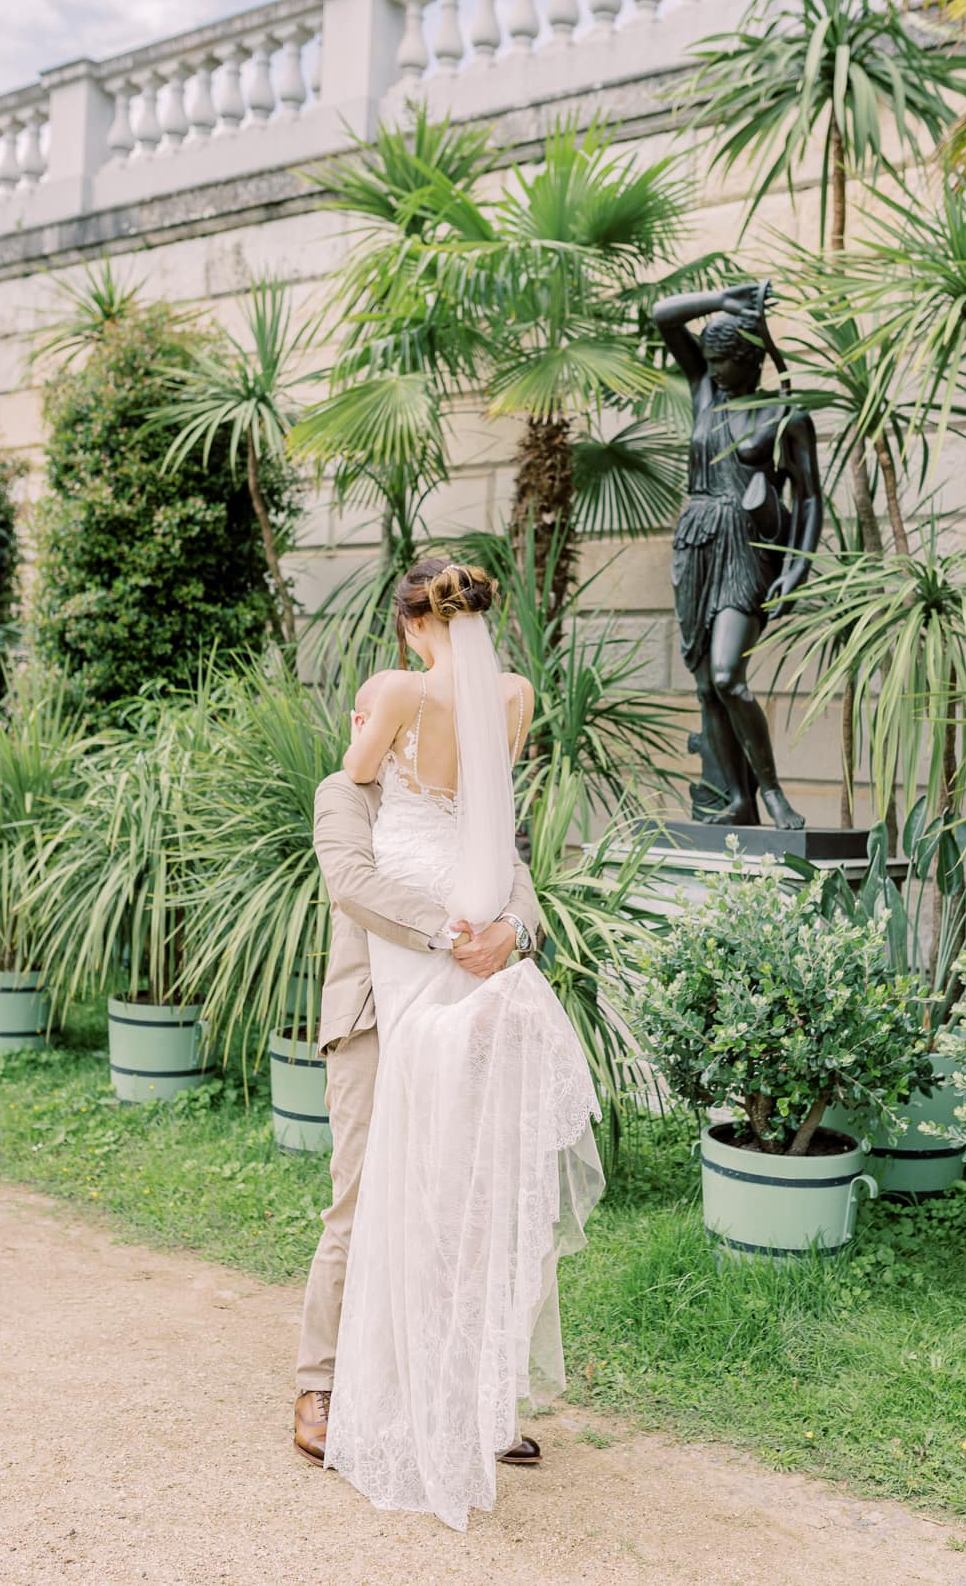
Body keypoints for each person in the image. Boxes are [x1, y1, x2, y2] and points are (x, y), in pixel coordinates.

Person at [317, 558, 604, 1532]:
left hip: (447, 936)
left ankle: (450, 1397)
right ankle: (380, 1387)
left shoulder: (394, 697)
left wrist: (371, 727)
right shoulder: (512, 698)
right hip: (451, 935)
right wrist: (482, 931)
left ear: (410, 627)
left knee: (439, 1178)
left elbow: (365, 773)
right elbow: (477, 824)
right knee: (429, 1182)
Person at [293, 671, 540, 1467]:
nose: (368, 724)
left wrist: (513, 932)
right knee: (360, 1198)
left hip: (456, 1016)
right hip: (372, 1021)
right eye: (361, 712)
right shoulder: (344, 793)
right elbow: (354, 885)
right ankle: (319, 1383)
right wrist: (447, 930)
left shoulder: (464, 796)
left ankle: (457, 1394)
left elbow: (518, 879)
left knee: (460, 1204)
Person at [651, 280, 822, 830]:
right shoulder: (705, 392)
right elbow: (662, 314)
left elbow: (811, 498)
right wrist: (722, 301)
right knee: (705, 686)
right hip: (696, 543)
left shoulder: (786, 415)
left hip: (747, 551)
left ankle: (771, 794)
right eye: (711, 362)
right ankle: (738, 801)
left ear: (751, 361)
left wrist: (796, 567)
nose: (715, 371)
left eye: (725, 362)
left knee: (728, 675)